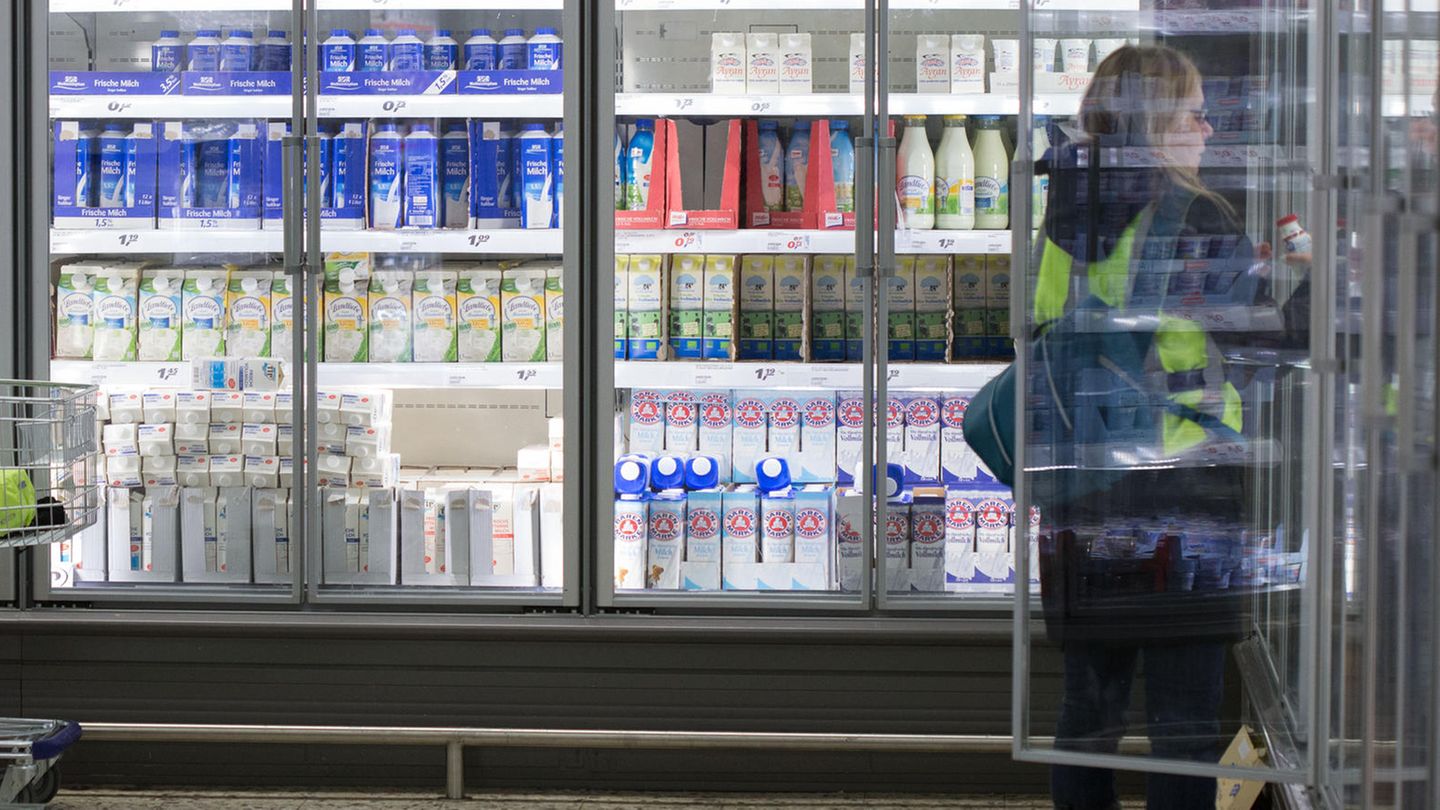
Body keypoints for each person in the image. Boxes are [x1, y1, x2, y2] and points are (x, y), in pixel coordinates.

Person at [1029, 44, 1308, 810]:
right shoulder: (1195, 213)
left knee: (1087, 716)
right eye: (1192, 112)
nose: (1207, 128)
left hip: (1080, 493)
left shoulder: (1061, 206)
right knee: (1187, 726)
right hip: (1184, 497)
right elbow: (1263, 343)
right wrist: (1319, 279)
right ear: (1157, 122)